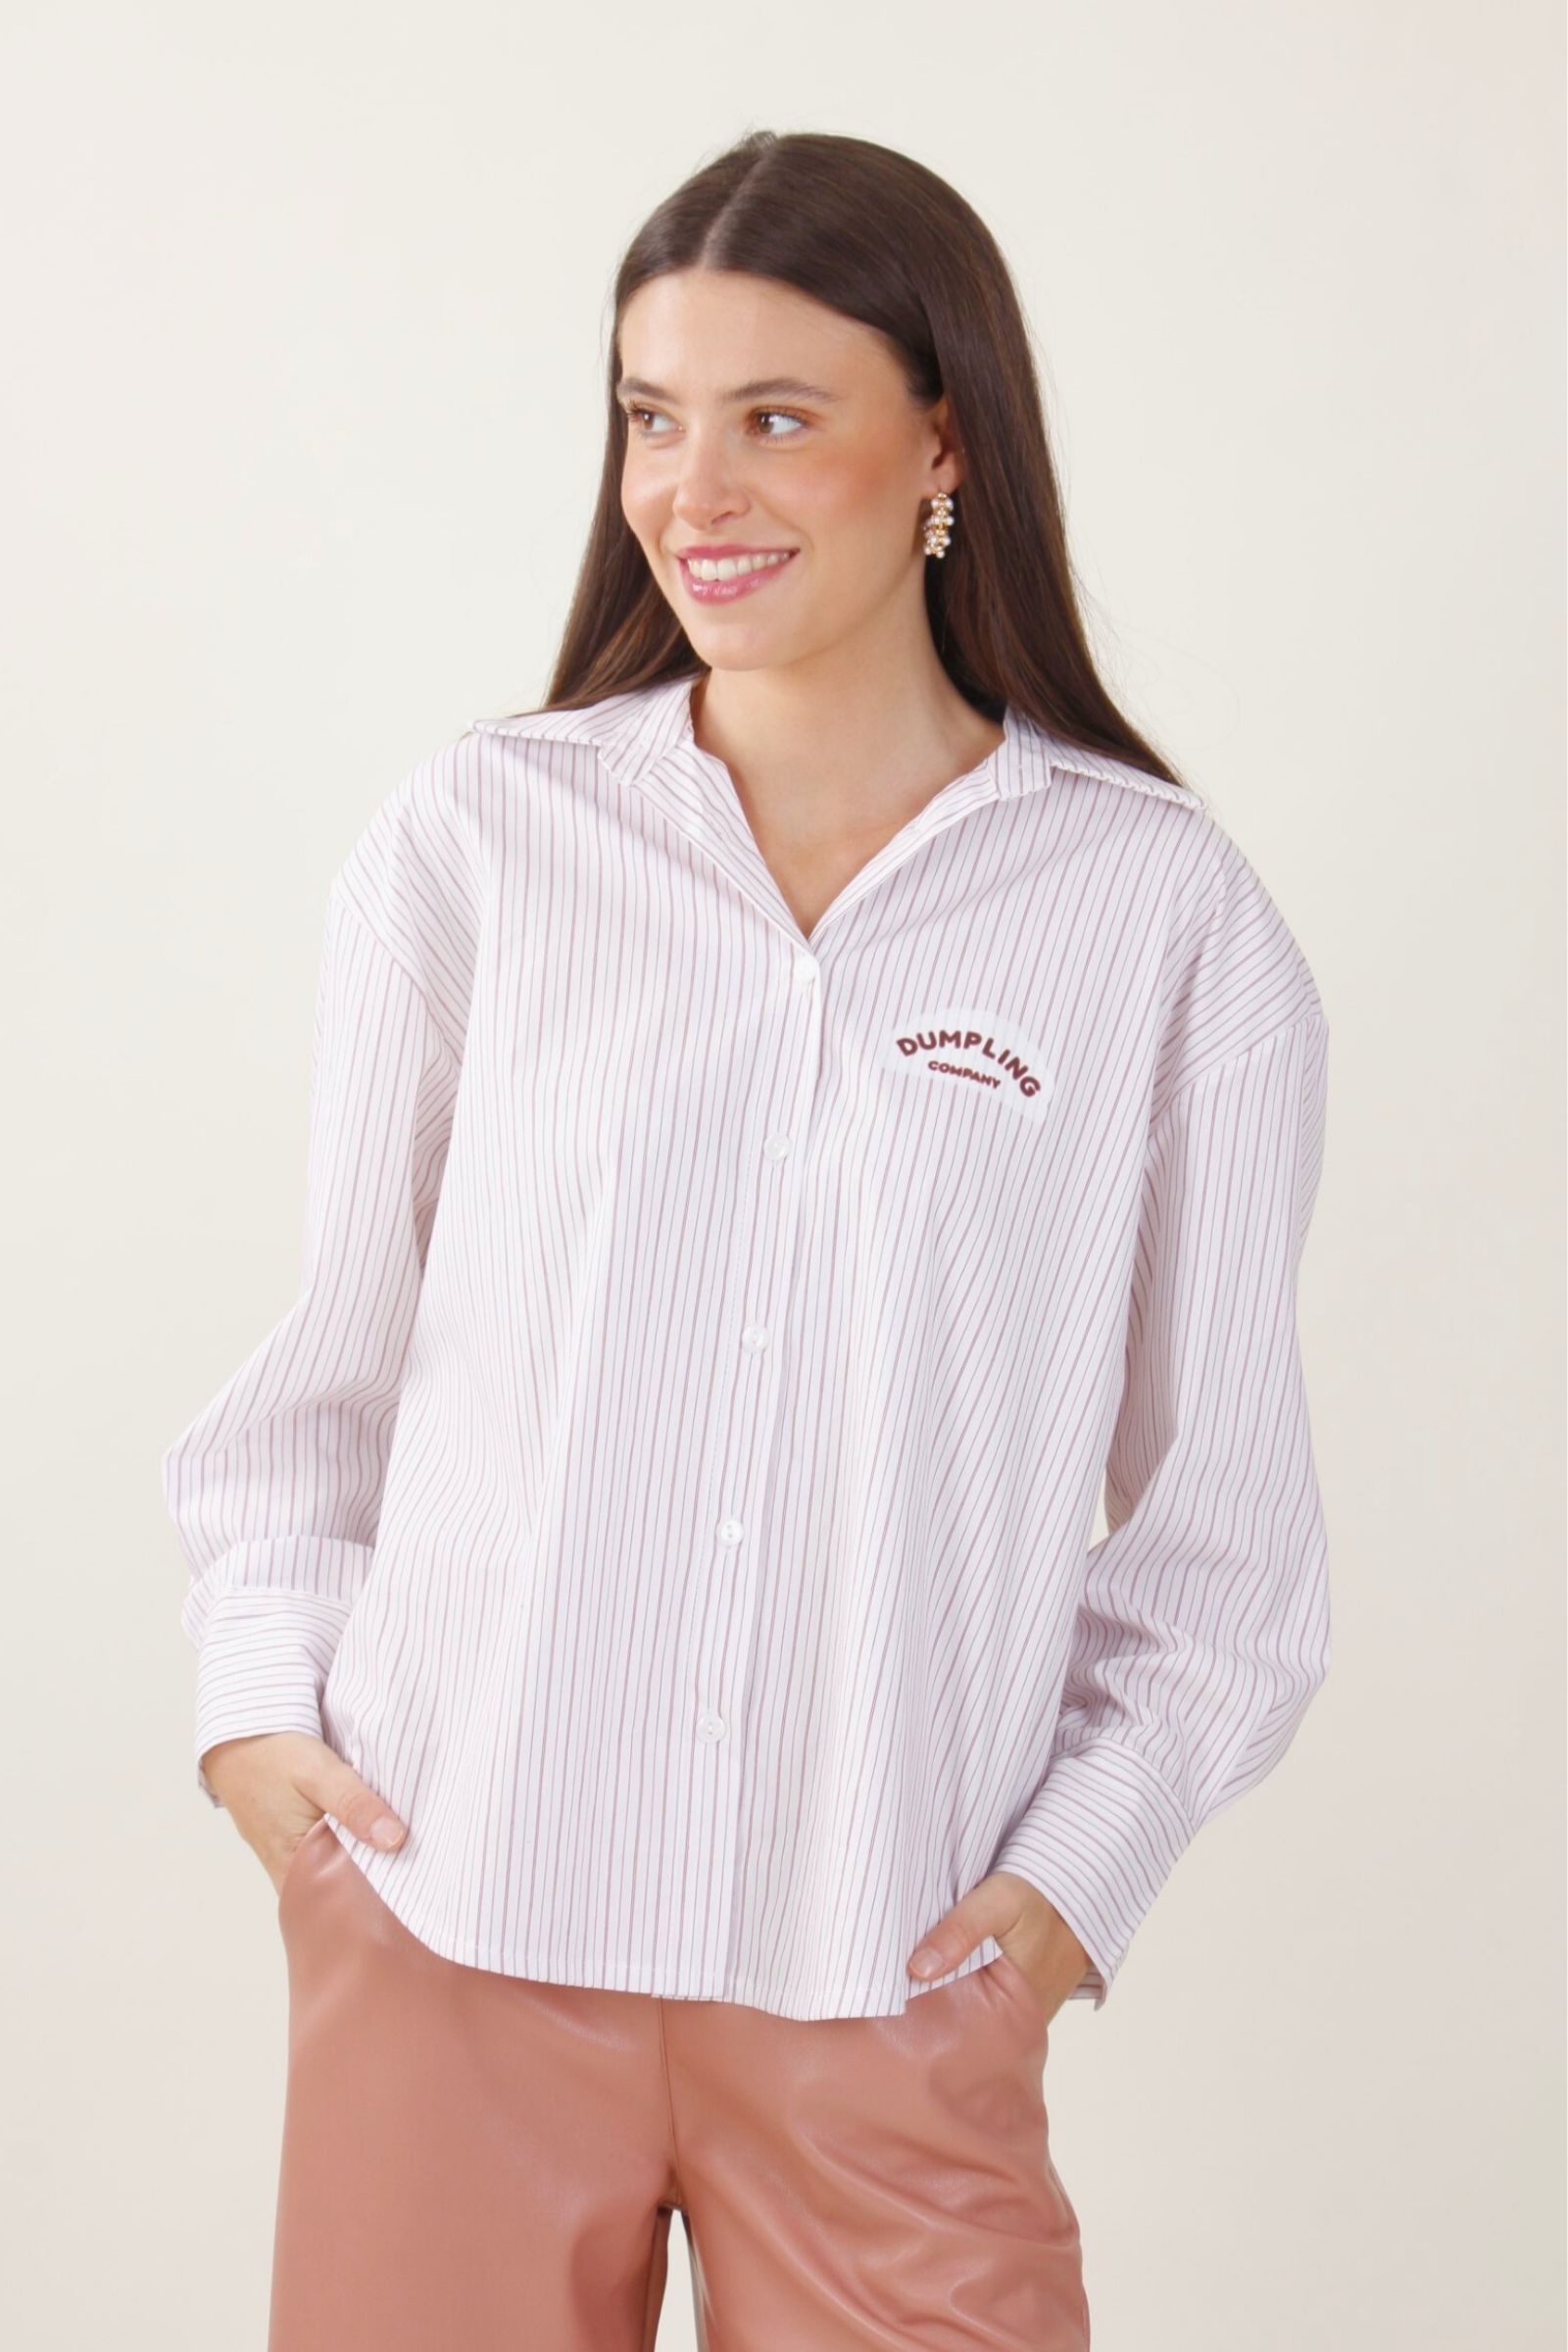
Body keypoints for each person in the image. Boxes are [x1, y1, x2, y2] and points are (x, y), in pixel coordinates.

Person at [161, 126, 1332, 2352]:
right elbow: (324, 1382)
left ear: (944, 444)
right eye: (650, 416)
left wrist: (1056, 1907)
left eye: (775, 418)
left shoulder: (1160, 920)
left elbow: (1225, 1540)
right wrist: (263, 1747)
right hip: (449, 1928)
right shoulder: (481, 844)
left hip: (888, 1976)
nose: (692, 491)